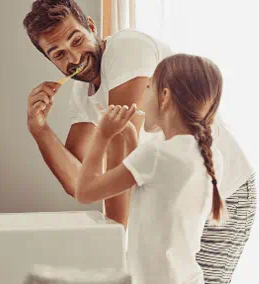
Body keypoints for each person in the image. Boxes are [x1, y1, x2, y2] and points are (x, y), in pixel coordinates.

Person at [23, 1, 256, 283]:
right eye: (59, 53)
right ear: (50, 60)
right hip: (173, 201)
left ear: (92, 27)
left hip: (222, 191)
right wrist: (40, 130)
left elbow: (116, 158)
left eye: (77, 39)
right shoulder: (82, 94)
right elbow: (81, 182)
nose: (75, 57)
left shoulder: (127, 49)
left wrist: (113, 253)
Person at [76, 53, 225, 284]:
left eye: (147, 87)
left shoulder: (156, 153)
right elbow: (151, 196)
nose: (142, 97)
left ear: (164, 96)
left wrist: (102, 135)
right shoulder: (209, 154)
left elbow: (85, 192)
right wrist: (132, 138)